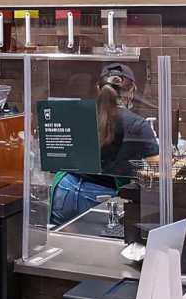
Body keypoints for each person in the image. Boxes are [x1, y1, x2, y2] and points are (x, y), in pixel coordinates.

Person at [49, 63, 159, 225]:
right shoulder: (138, 124)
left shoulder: (77, 114)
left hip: (65, 189)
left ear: (97, 88)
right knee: (99, 241)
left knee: (63, 239)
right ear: (131, 91)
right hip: (102, 198)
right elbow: (157, 168)